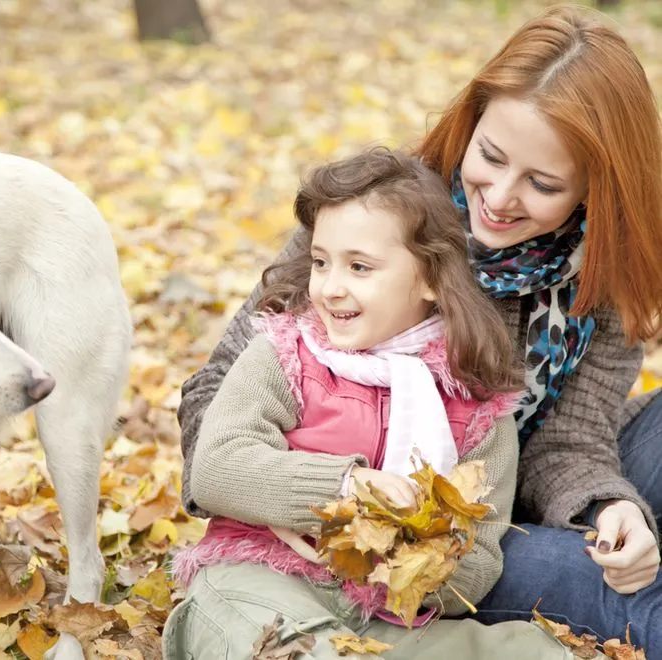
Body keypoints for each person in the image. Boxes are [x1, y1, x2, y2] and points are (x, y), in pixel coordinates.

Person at [177, 3, 662, 656]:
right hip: (418, 523)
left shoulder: (602, 275)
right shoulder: (372, 223)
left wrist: (609, 509)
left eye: (542, 183)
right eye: (489, 156)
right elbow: (220, 392)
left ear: (592, 189)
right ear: (469, 123)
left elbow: (569, 444)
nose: (499, 195)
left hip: (496, 500)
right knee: (598, 584)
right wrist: (299, 500)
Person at [163, 147, 572, 659]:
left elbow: (482, 554)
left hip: (390, 613)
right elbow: (217, 468)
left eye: (359, 267)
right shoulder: (287, 353)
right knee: (282, 644)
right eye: (320, 262)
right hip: (262, 579)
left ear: (429, 278)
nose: (330, 288)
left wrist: (409, 554)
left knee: (527, 651)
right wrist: (349, 488)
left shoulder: (476, 404)